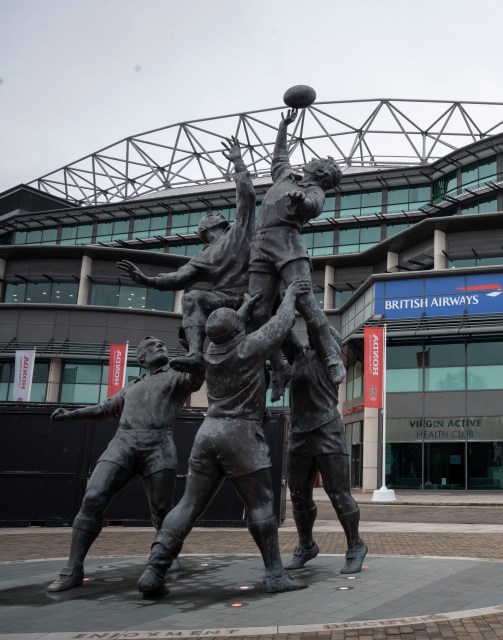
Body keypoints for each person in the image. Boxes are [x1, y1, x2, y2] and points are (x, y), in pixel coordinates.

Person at [137, 280, 311, 597]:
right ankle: (274, 574)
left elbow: (230, 329)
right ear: (238, 331)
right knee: (260, 505)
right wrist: (291, 297)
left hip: (208, 433)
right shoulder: (250, 347)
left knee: (188, 505)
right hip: (241, 434)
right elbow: (281, 323)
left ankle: (154, 569)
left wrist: (242, 309)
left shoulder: (209, 351)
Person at [45, 336, 203, 592]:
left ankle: (166, 555)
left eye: (162, 344)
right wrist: (71, 415)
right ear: (141, 358)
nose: (160, 346)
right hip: (123, 443)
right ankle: (72, 568)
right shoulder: (131, 387)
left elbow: (198, 377)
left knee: (161, 510)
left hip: (159, 443)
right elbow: (104, 408)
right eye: (152, 345)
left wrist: (194, 349)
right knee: (93, 497)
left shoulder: (176, 376)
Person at [117, 136, 256, 374]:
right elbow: (178, 278)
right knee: (192, 297)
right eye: (211, 215)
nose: (217, 214)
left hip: (248, 294)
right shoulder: (203, 255)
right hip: (224, 298)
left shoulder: (238, 232)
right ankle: (195, 354)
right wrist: (147, 280)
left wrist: (239, 163)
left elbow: (247, 198)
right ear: (204, 230)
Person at [245, 109, 344, 400]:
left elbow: (313, 206)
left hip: (288, 245)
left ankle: (331, 358)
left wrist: (302, 201)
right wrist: (282, 127)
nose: (312, 159)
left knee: (305, 302)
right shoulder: (286, 176)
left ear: (322, 171)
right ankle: (279, 366)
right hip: (261, 245)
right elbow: (279, 156)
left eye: (318, 160)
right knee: (258, 311)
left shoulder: (314, 189)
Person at [282, 318, 367, 574]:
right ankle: (306, 545)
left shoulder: (330, 358)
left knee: (338, 494)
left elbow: (317, 326)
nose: (313, 336)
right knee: (298, 495)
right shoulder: (299, 356)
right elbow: (283, 331)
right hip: (299, 433)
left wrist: (306, 303)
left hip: (327, 430)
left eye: (319, 334)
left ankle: (356, 546)